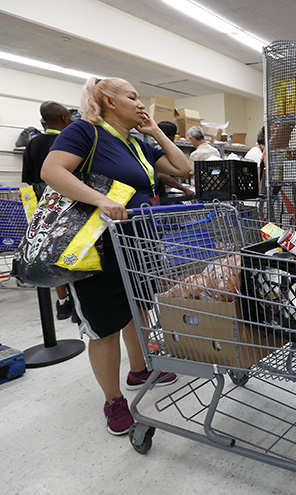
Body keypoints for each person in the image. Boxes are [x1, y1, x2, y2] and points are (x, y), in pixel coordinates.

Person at [40, 77, 192, 435]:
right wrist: (101, 199)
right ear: (108, 100)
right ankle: (113, 401)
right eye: (133, 97)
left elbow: (183, 168)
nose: (141, 104)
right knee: (104, 326)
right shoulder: (84, 132)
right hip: (96, 246)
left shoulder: (138, 143)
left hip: (137, 243)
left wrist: (155, 131)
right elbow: (51, 171)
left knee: (136, 309)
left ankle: (139, 370)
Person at [22, 100, 75, 320]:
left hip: (42, 209)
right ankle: (77, 299)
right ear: (64, 118)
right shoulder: (70, 141)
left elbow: (26, 181)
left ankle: (62, 302)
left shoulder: (32, 144)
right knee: (72, 250)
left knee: (49, 253)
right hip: (70, 205)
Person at [154, 121, 194, 203]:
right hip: (155, 196)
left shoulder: (155, 147)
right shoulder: (158, 150)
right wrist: (184, 189)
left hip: (160, 193)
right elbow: (161, 175)